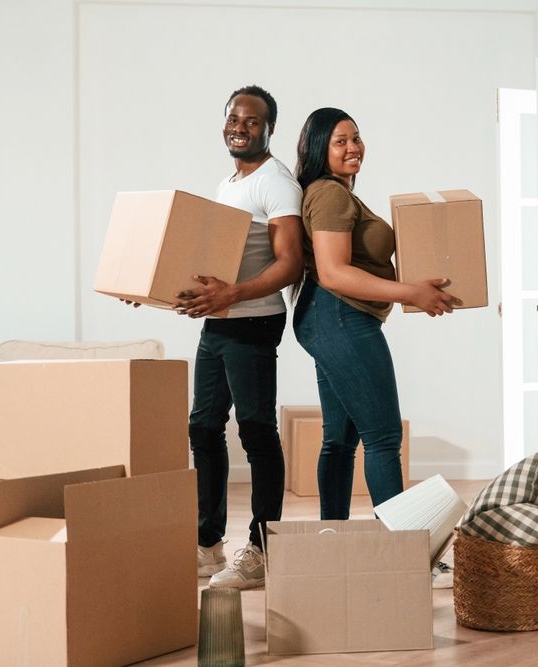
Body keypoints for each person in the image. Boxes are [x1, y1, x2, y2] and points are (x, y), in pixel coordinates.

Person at [292, 107, 459, 520]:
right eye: (340, 142)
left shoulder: (333, 192)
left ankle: (333, 537)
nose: (353, 148)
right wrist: (410, 293)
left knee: (340, 441)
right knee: (383, 438)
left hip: (327, 318)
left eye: (356, 138)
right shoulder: (330, 194)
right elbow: (334, 273)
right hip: (340, 317)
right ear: (319, 149)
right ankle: (398, 547)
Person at [175, 85, 303, 590]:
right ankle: (208, 545)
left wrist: (233, 296)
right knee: (204, 428)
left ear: (269, 128)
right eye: (233, 117)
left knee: (255, 431)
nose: (240, 126)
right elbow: (213, 259)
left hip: (253, 321)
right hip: (221, 321)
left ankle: (262, 548)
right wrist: (152, 288)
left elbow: (290, 264)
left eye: (252, 120)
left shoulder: (276, 183)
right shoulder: (229, 182)